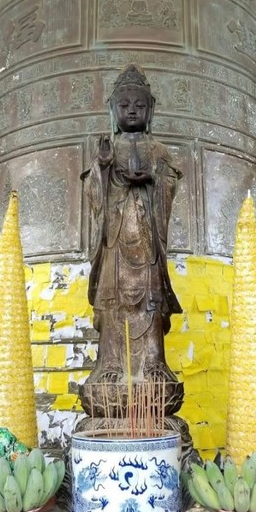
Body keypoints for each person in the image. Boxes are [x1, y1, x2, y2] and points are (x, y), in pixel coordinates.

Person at [79, 64, 183, 418]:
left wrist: (152, 180)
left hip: (148, 242)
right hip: (116, 243)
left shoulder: (158, 149)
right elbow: (93, 191)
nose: (132, 110)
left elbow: (170, 184)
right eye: (124, 105)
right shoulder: (107, 148)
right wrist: (105, 167)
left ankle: (153, 366)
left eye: (139, 105)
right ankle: (110, 367)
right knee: (113, 306)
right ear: (113, 109)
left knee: (149, 306)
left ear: (150, 109)